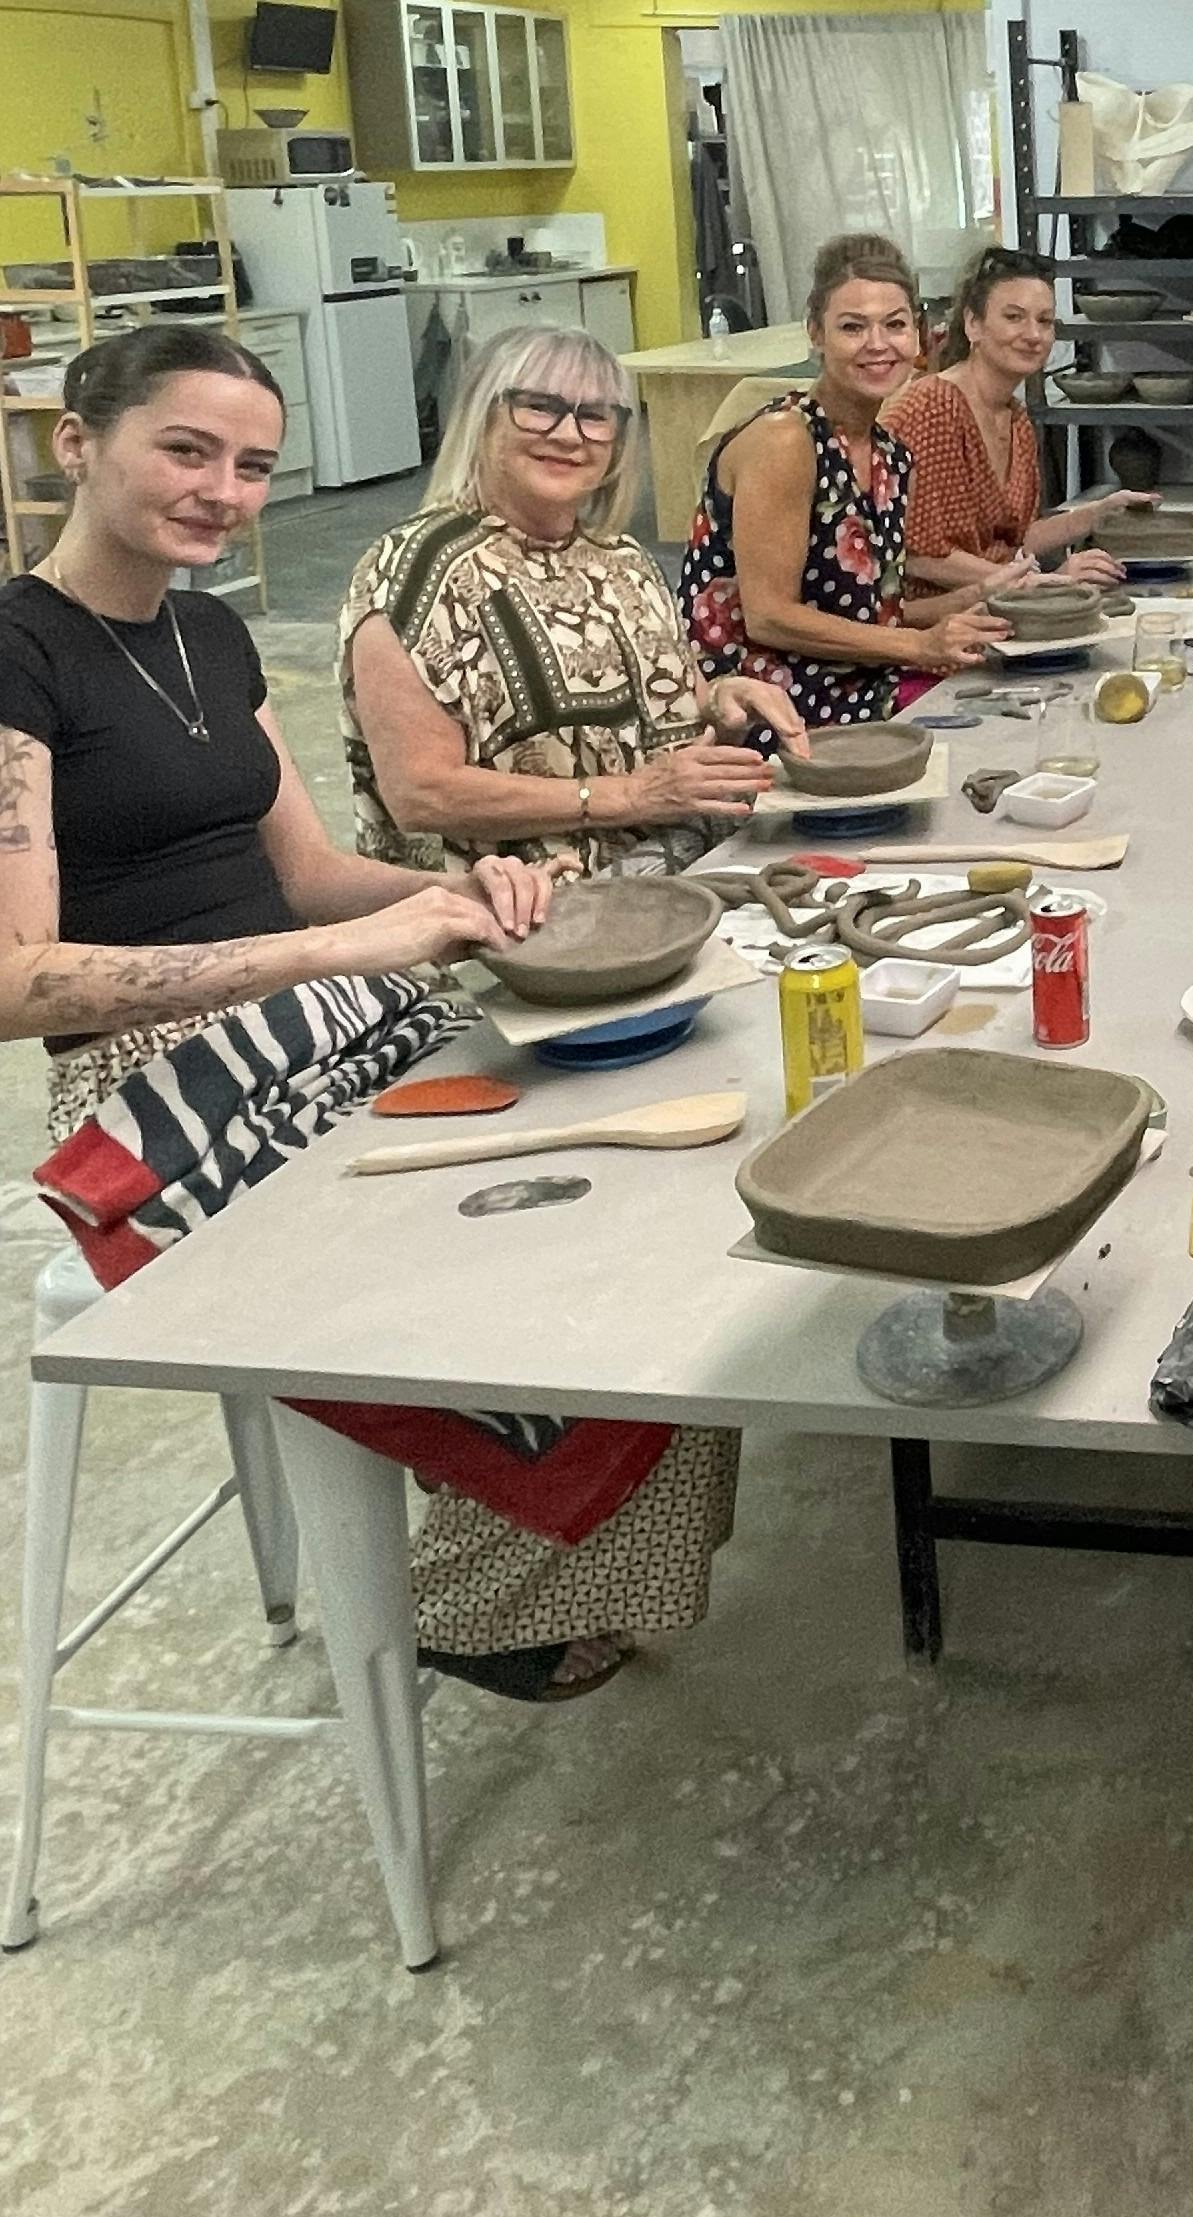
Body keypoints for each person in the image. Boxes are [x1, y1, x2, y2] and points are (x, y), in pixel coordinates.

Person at [0, 330, 698, 1706]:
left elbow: (313, 870)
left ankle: (524, 1571)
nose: (223, 491)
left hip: (315, 1012)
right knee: (523, 1266)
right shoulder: (20, 656)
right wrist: (328, 948)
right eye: (186, 450)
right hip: (155, 1093)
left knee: (633, 1207)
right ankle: (460, 1598)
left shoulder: (207, 629)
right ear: (78, 443)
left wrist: (469, 890)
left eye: (253, 465)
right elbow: (17, 980)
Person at [340, 325, 806, 879]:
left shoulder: (622, 558)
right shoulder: (415, 572)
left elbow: (675, 709)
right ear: (482, 417)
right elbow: (420, 794)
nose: (569, 435)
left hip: (674, 867)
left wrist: (725, 699)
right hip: (517, 914)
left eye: (595, 415)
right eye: (539, 408)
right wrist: (629, 796)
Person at [679, 232, 1006, 726]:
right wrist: (918, 644)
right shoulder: (786, 440)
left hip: (858, 694)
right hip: (763, 712)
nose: (877, 345)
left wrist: (962, 604)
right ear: (816, 333)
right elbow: (769, 615)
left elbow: (862, 614)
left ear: (918, 334)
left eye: (894, 325)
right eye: (852, 327)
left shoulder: (891, 457)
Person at [884, 244, 1151, 590]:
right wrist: (1042, 582)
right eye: (1014, 317)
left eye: (1044, 321)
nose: (1033, 335)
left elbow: (1011, 541)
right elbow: (921, 555)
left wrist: (1098, 514)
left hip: (994, 605)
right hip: (934, 622)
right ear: (973, 324)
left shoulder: (1015, 419)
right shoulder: (934, 407)